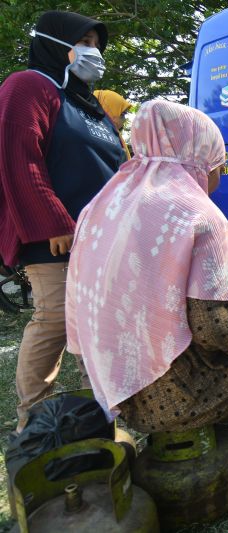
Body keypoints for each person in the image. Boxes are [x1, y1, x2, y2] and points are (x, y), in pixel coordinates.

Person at [65, 101, 228, 500]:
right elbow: (222, 333)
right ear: (200, 156)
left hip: (114, 386)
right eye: (219, 159)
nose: (220, 169)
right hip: (180, 395)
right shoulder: (198, 214)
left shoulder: (101, 205)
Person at [0, 11, 124, 433]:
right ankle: (32, 421)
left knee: (98, 321)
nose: (93, 51)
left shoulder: (89, 102)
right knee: (54, 318)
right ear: (54, 43)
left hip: (101, 235)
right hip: (55, 234)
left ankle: (106, 411)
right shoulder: (29, 86)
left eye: (96, 42)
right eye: (83, 40)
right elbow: (19, 158)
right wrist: (54, 221)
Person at [94, 89, 132, 159]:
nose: (124, 119)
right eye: (122, 114)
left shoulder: (114, 136)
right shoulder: (104, 141)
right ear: (106, 109)